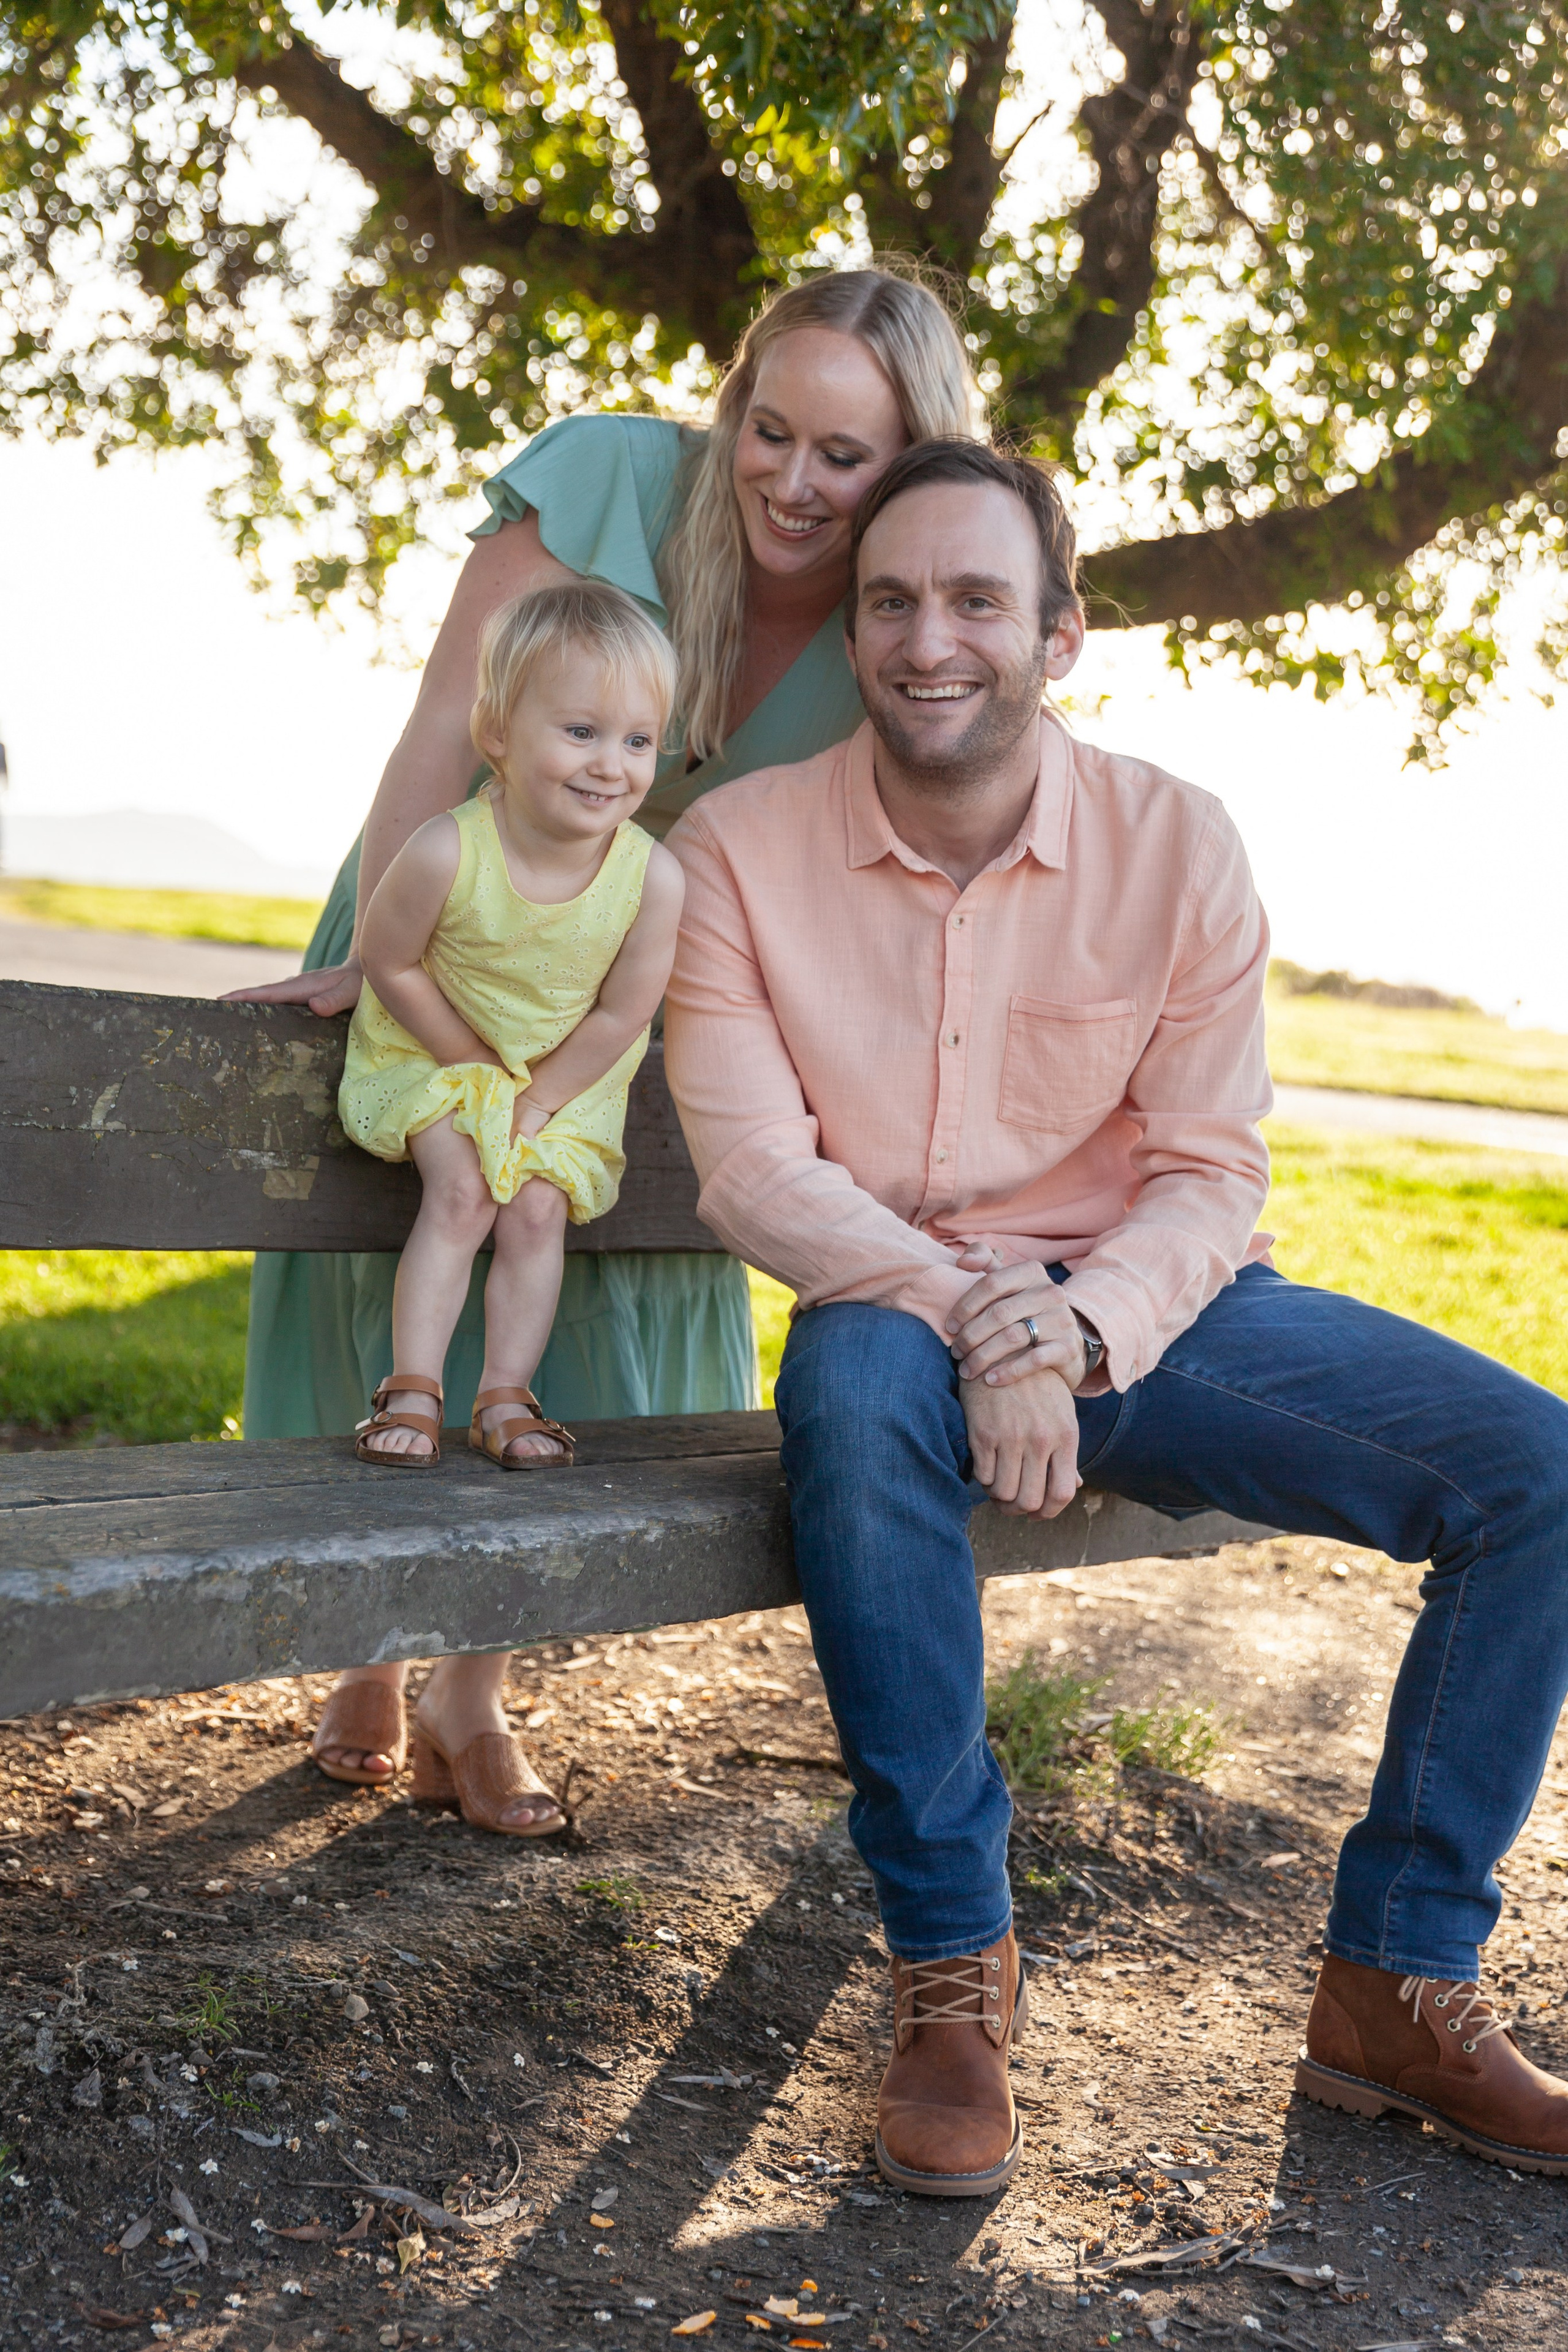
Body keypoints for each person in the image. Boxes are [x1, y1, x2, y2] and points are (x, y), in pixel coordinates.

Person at [663, 437, 1568, 2192]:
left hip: (1157, 1309)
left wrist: (1076, 1336)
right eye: (891, 603)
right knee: (851, 1387)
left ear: (1059, 633)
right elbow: (760, 1178)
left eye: (976, 599)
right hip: (888, 1301)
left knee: (1537, 1473)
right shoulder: (737, 856)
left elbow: (1208, 1168)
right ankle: (951, 1966)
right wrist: (979, 1315)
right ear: (852, 637)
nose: (931, 639)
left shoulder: (1177, 844)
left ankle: (1395, 1983)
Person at [228, 266, 984, 1817]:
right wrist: (377, 953)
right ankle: (367, 1651)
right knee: (393, 1265)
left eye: (843, 457)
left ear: (909, 464)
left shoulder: (897, 620)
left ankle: (471, 1697)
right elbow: (442, 728)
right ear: (733, 408)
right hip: (444, 931)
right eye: (768, 431)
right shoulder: (601, 483)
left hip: (632, 997)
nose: (791, 481)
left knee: (566, 1307)